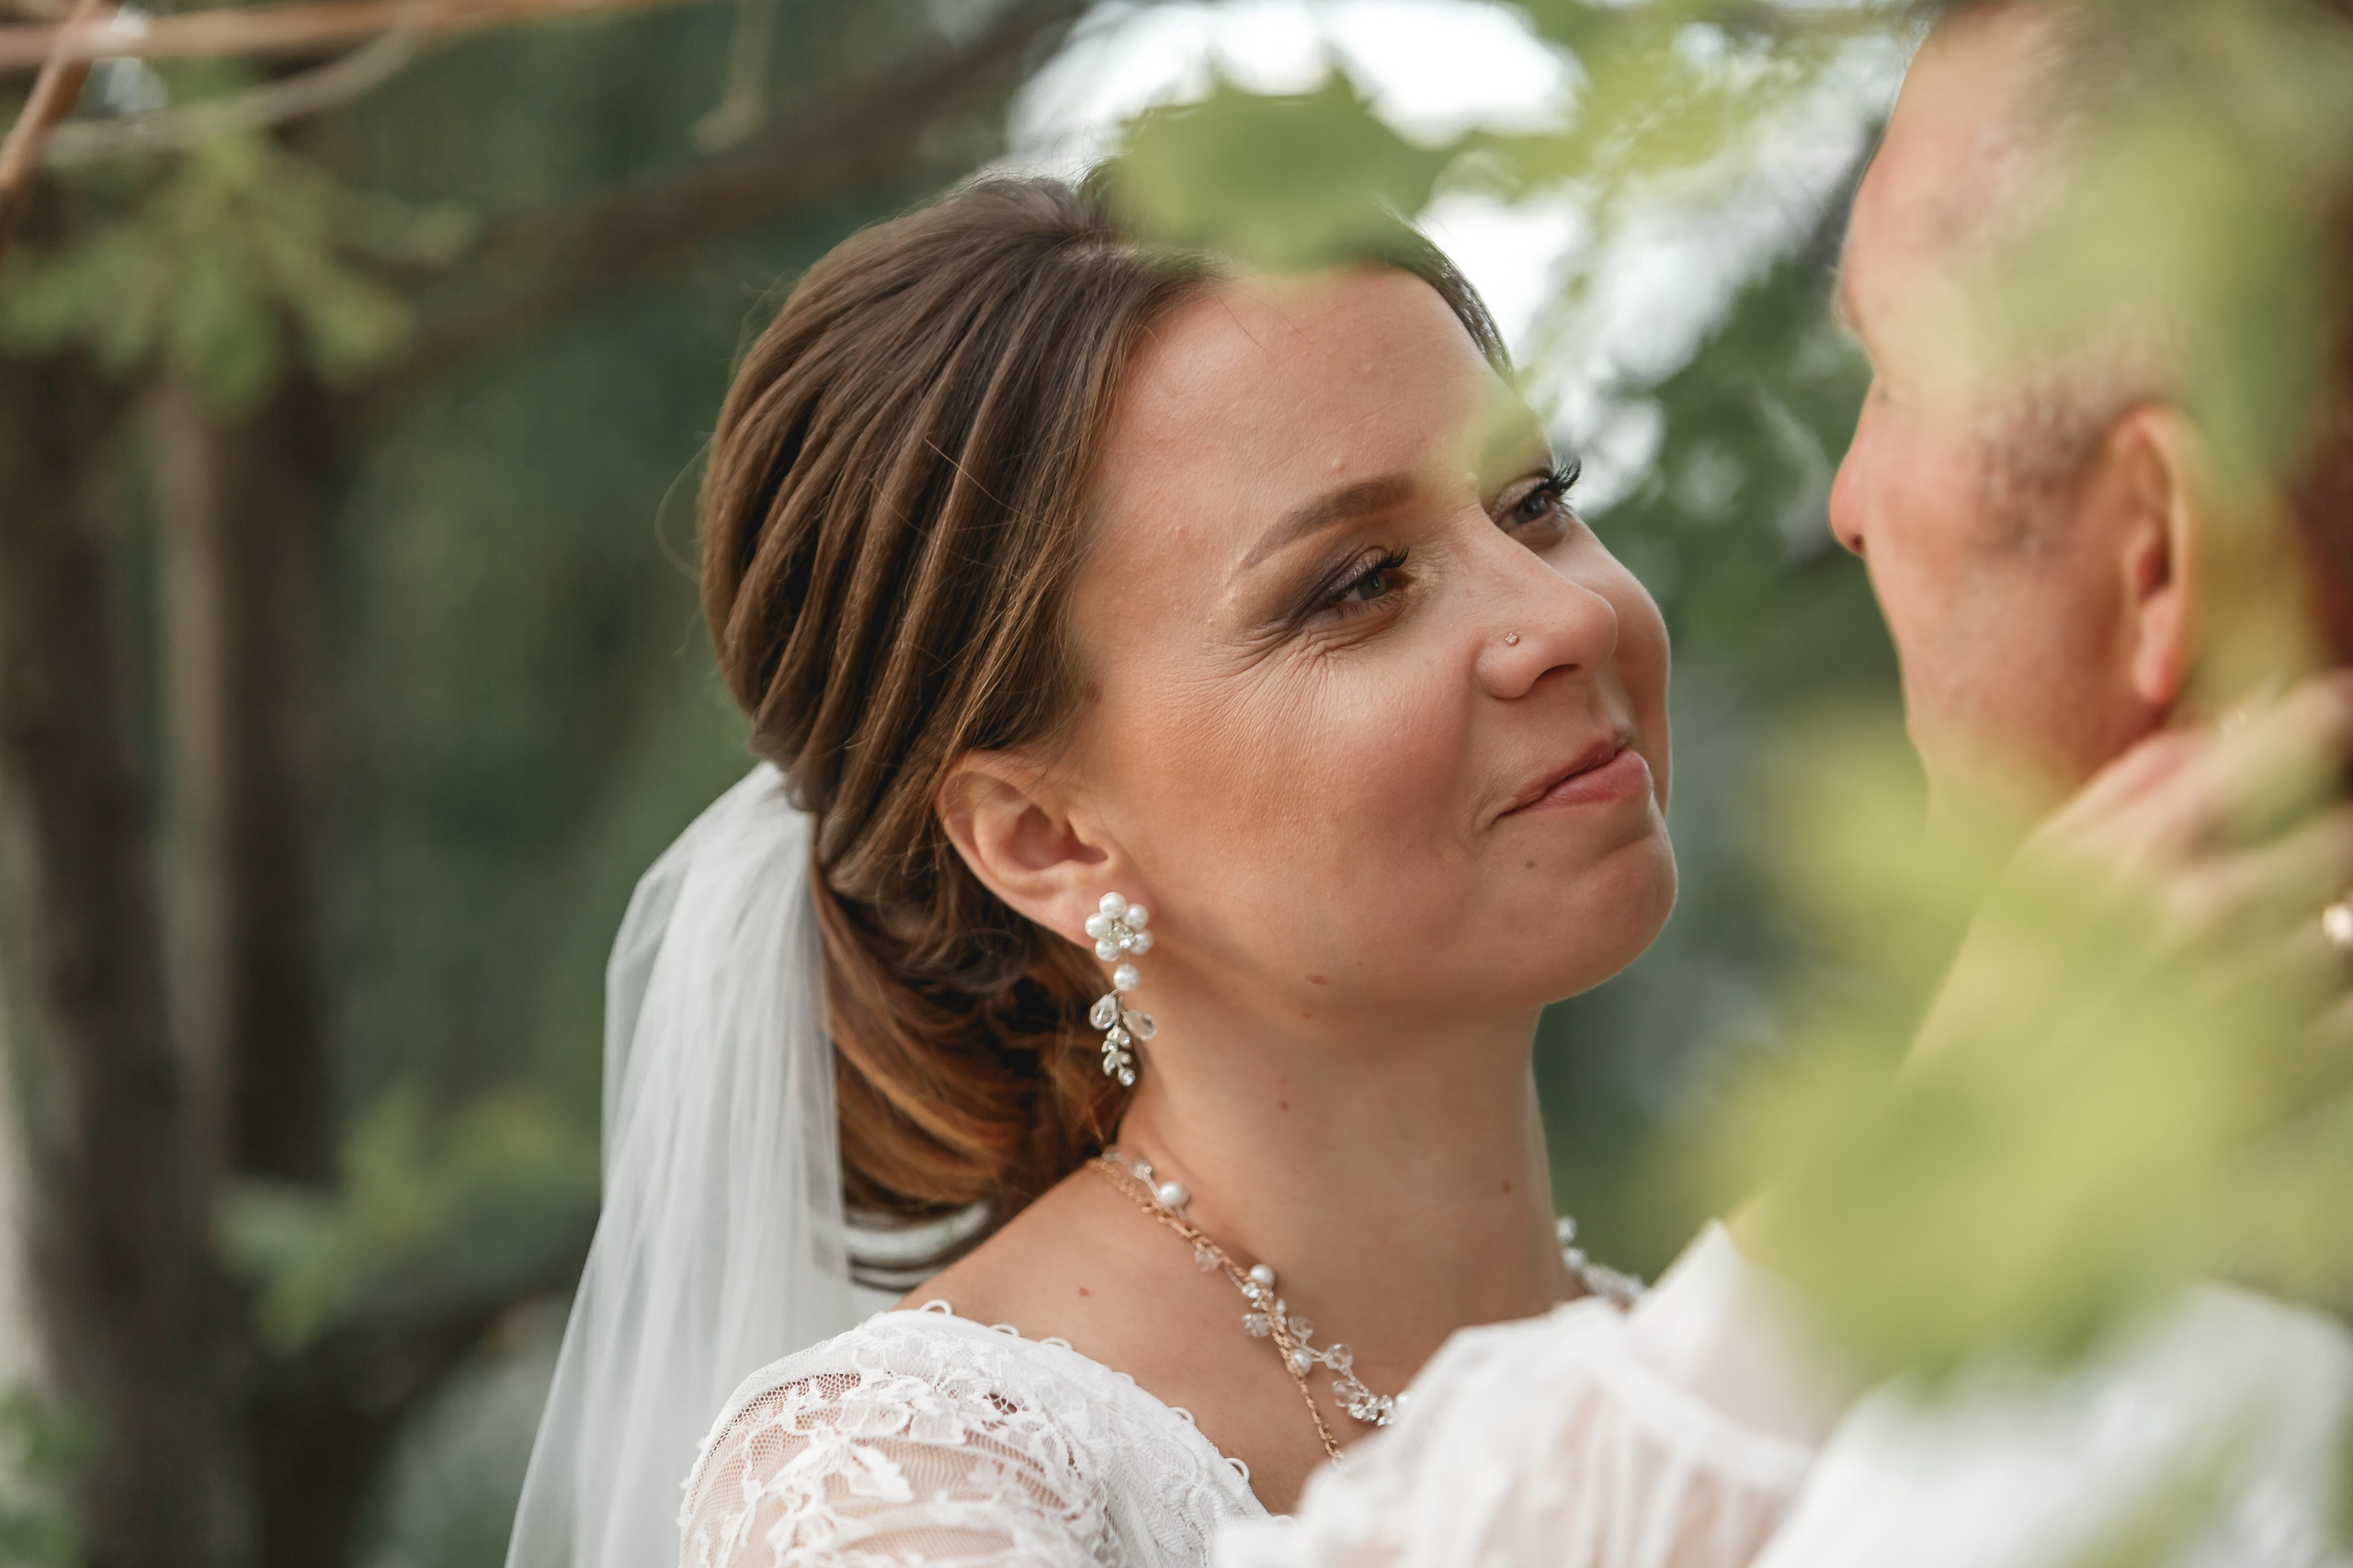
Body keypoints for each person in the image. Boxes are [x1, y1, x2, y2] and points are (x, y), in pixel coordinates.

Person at [1213, 3, 2353, 1565]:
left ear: (2158, 554)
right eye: (1352, 583)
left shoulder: (2104, 1413)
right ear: (1036, 834)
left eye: (1885, 372)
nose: (1848, 500)